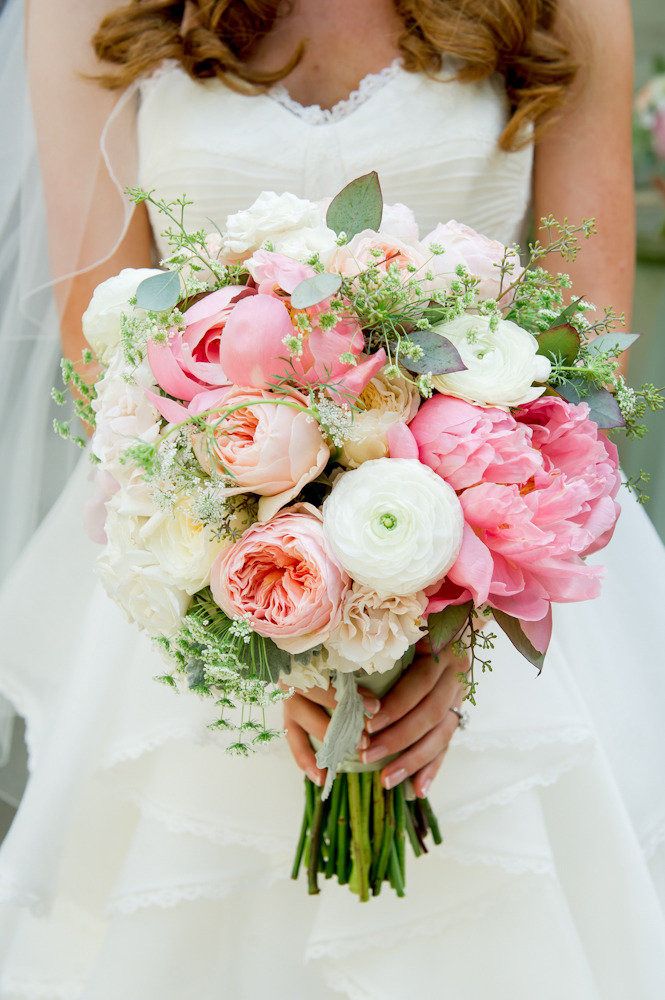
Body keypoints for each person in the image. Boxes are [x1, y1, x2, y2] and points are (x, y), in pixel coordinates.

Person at [0, 1, 664, 997]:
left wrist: (443, 626)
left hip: (492, 553)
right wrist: (281, 617)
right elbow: (110, 352)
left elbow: (587, 331)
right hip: (200, 560)